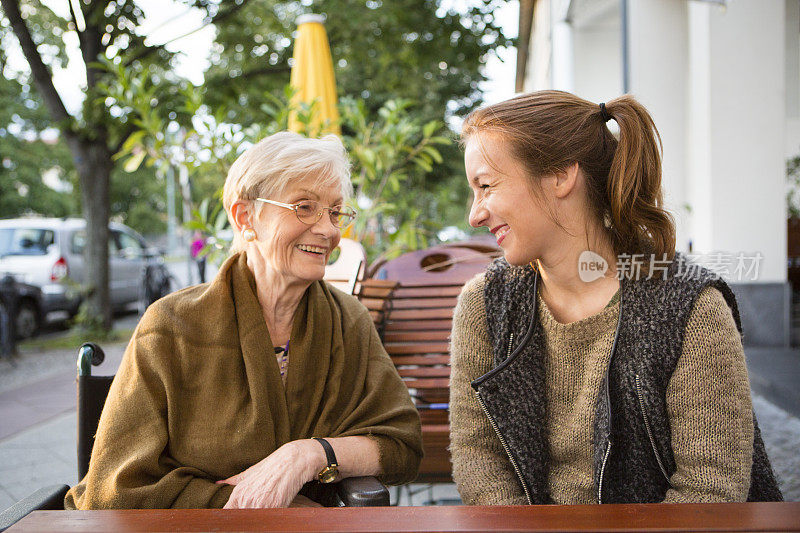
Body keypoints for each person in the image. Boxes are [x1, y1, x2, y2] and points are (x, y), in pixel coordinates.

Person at [449, 90, 782, 505]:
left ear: (560, 176)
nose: (474, 214)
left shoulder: (690, 306)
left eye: (486, 186)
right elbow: (478, 456)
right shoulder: (485, 306)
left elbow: (710, 486)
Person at [65, 132, 423, 509]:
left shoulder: (348, 321)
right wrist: (256, 504)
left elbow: (402, 446)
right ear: (245, 217)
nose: (329, 230)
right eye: (304, 206)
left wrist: (308, 455)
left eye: (334, 212)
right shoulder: (171, 326)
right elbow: (115, 488)